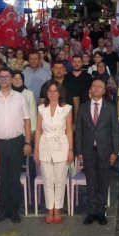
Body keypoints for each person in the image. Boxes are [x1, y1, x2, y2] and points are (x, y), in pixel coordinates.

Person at [0, 69, 32, 223]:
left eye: (7, 77)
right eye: (1, 77)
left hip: (16, 142)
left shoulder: (20, 98)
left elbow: (26, 120)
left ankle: (14, 210)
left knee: (14, 177)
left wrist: (27, 142)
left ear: (12, 80)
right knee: (2, 178)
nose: (4, 79)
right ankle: (4, 210)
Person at [74, 79, 119, 225]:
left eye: (100, 86)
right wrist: (78, 150)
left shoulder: (110, 108)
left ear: (104, 90)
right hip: (88, 150)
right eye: (94, 86)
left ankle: (101, 211)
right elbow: (79, 131)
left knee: (103, 181)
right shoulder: (83, 107)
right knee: (91, 181)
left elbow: (115, 131)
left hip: (105, 151)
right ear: (90, 90)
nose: (97, 88)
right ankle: (92, 211)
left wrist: (115, 151)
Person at [35, 80, 73, 224]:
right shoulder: (41, 109)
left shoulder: (66, 108)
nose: (52, 94)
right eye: (49, 91)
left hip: (61, 144)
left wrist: (70, 150)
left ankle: (57, 208)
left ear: (59, 93)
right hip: (45, 144)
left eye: (55, 91)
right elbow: (38, 130)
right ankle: (49, 208)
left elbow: (69, 129)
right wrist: (36, 150)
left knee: (59, 179)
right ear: (46, 93)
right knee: (48, 180)